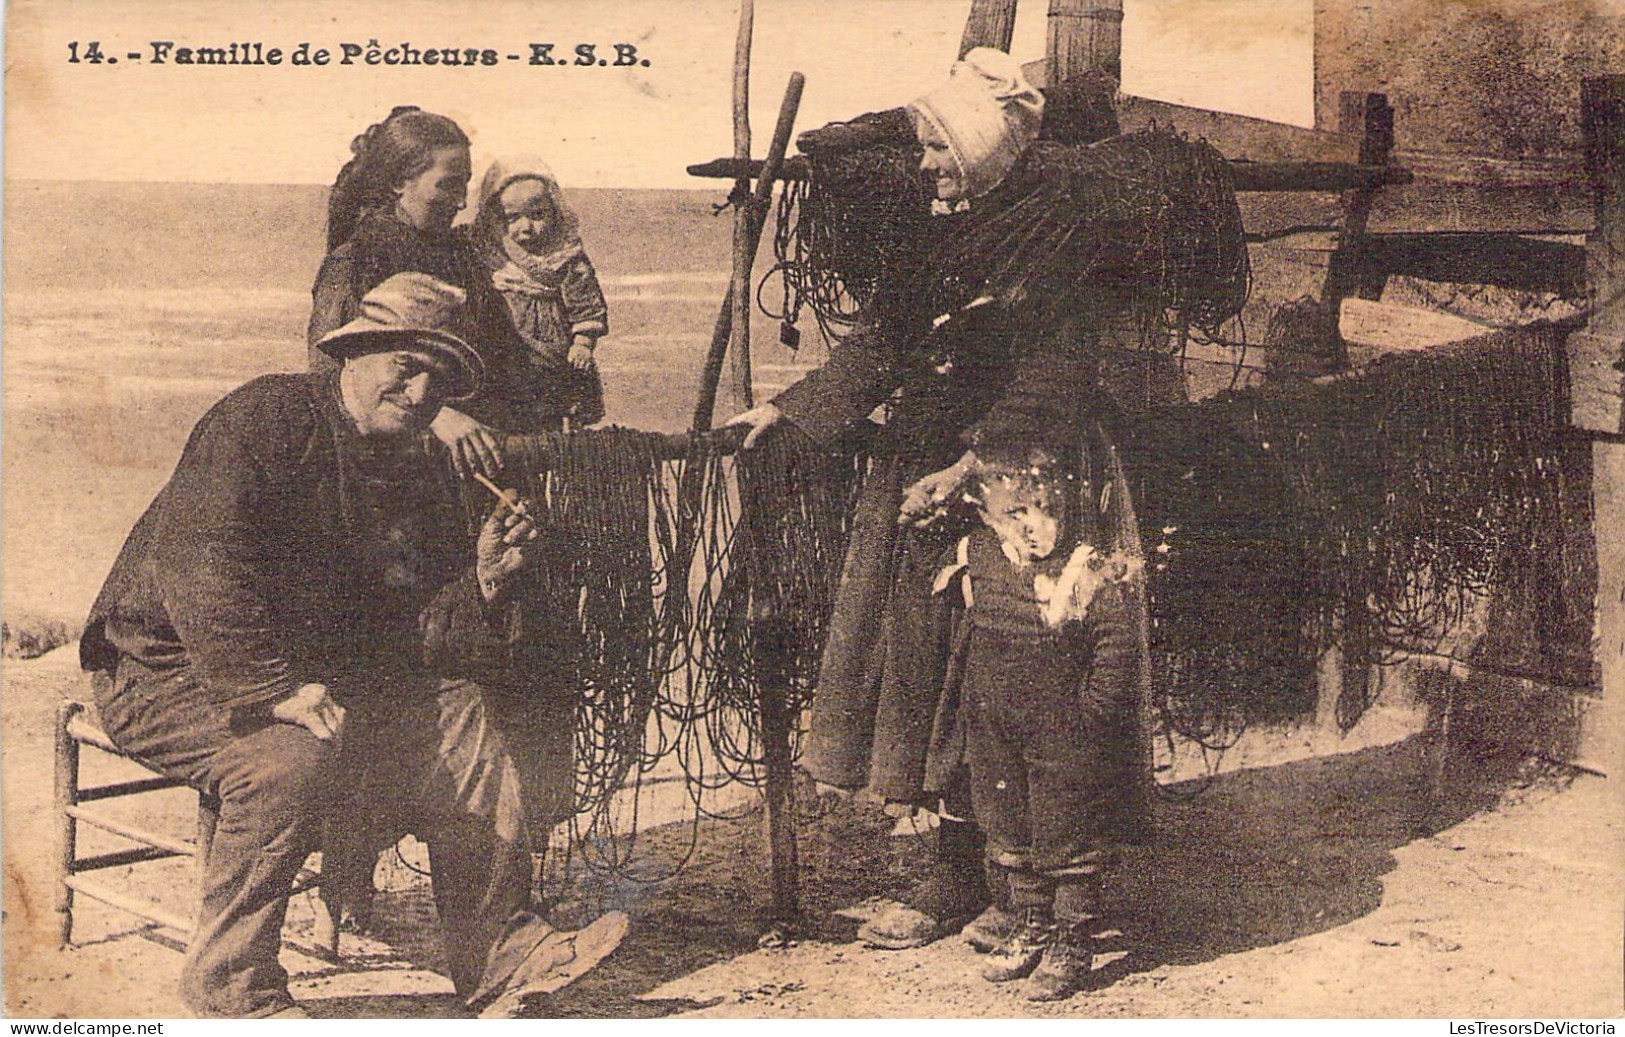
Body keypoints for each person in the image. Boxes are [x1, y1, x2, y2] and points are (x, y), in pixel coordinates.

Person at [80, 272, 624, 1018]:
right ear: (354, 356)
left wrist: (485, 580)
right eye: (406, 365)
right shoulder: (263, 418)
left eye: (440, 377)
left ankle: (501, 951)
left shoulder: (418, 466)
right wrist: (275, 690)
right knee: (284, 761)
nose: (421, 389)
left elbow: (409, 633)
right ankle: (232, 989)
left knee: (460, 712)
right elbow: (200, 563)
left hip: (302, 674)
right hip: (162, 668)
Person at [728, 47, 1153, 952]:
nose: (920, 167)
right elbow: (887, 333)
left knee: (1006, 671)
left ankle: (1010, 884)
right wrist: (792, 407)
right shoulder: (942, 227)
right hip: (927, 469)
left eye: (935, 150)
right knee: (927, 668)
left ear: (983, 152)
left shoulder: (1058, 233)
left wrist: (968, 471)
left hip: (1024, 484)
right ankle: (965, 872)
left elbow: (1057, 373)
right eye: (921, 148)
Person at [933, 448, 1141, 1001]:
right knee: (1009, 823)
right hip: (1000, 727)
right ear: (986, 513)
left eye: (1043, 509)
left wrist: (1090, 715)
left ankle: (1073, 936)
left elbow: (1116, 646)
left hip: (1063, 730)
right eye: (1014, 514)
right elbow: (964, 633)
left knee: (1067, 829)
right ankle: (1033, 923)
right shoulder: (974, 557)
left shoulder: (1087, 567)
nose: (1031, 527)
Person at [308, 107, 562, 480]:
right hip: (398, 469)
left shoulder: (463, 257)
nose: (461, 202)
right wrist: (437, 416)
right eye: (447, 185)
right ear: (399, 182)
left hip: (480, 461)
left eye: (465, 186)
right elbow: (327, 376)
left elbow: (501, 356)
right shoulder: (355, 260)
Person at [470, 156, 610, 428]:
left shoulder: (567, 257)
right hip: (507, 348)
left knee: (556, 411)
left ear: (555, 212)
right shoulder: (491, 254)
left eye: (537, 215)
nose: (525, 227)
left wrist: (583, 344)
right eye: (513, 218)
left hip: (553, 349)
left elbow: (587, 306)